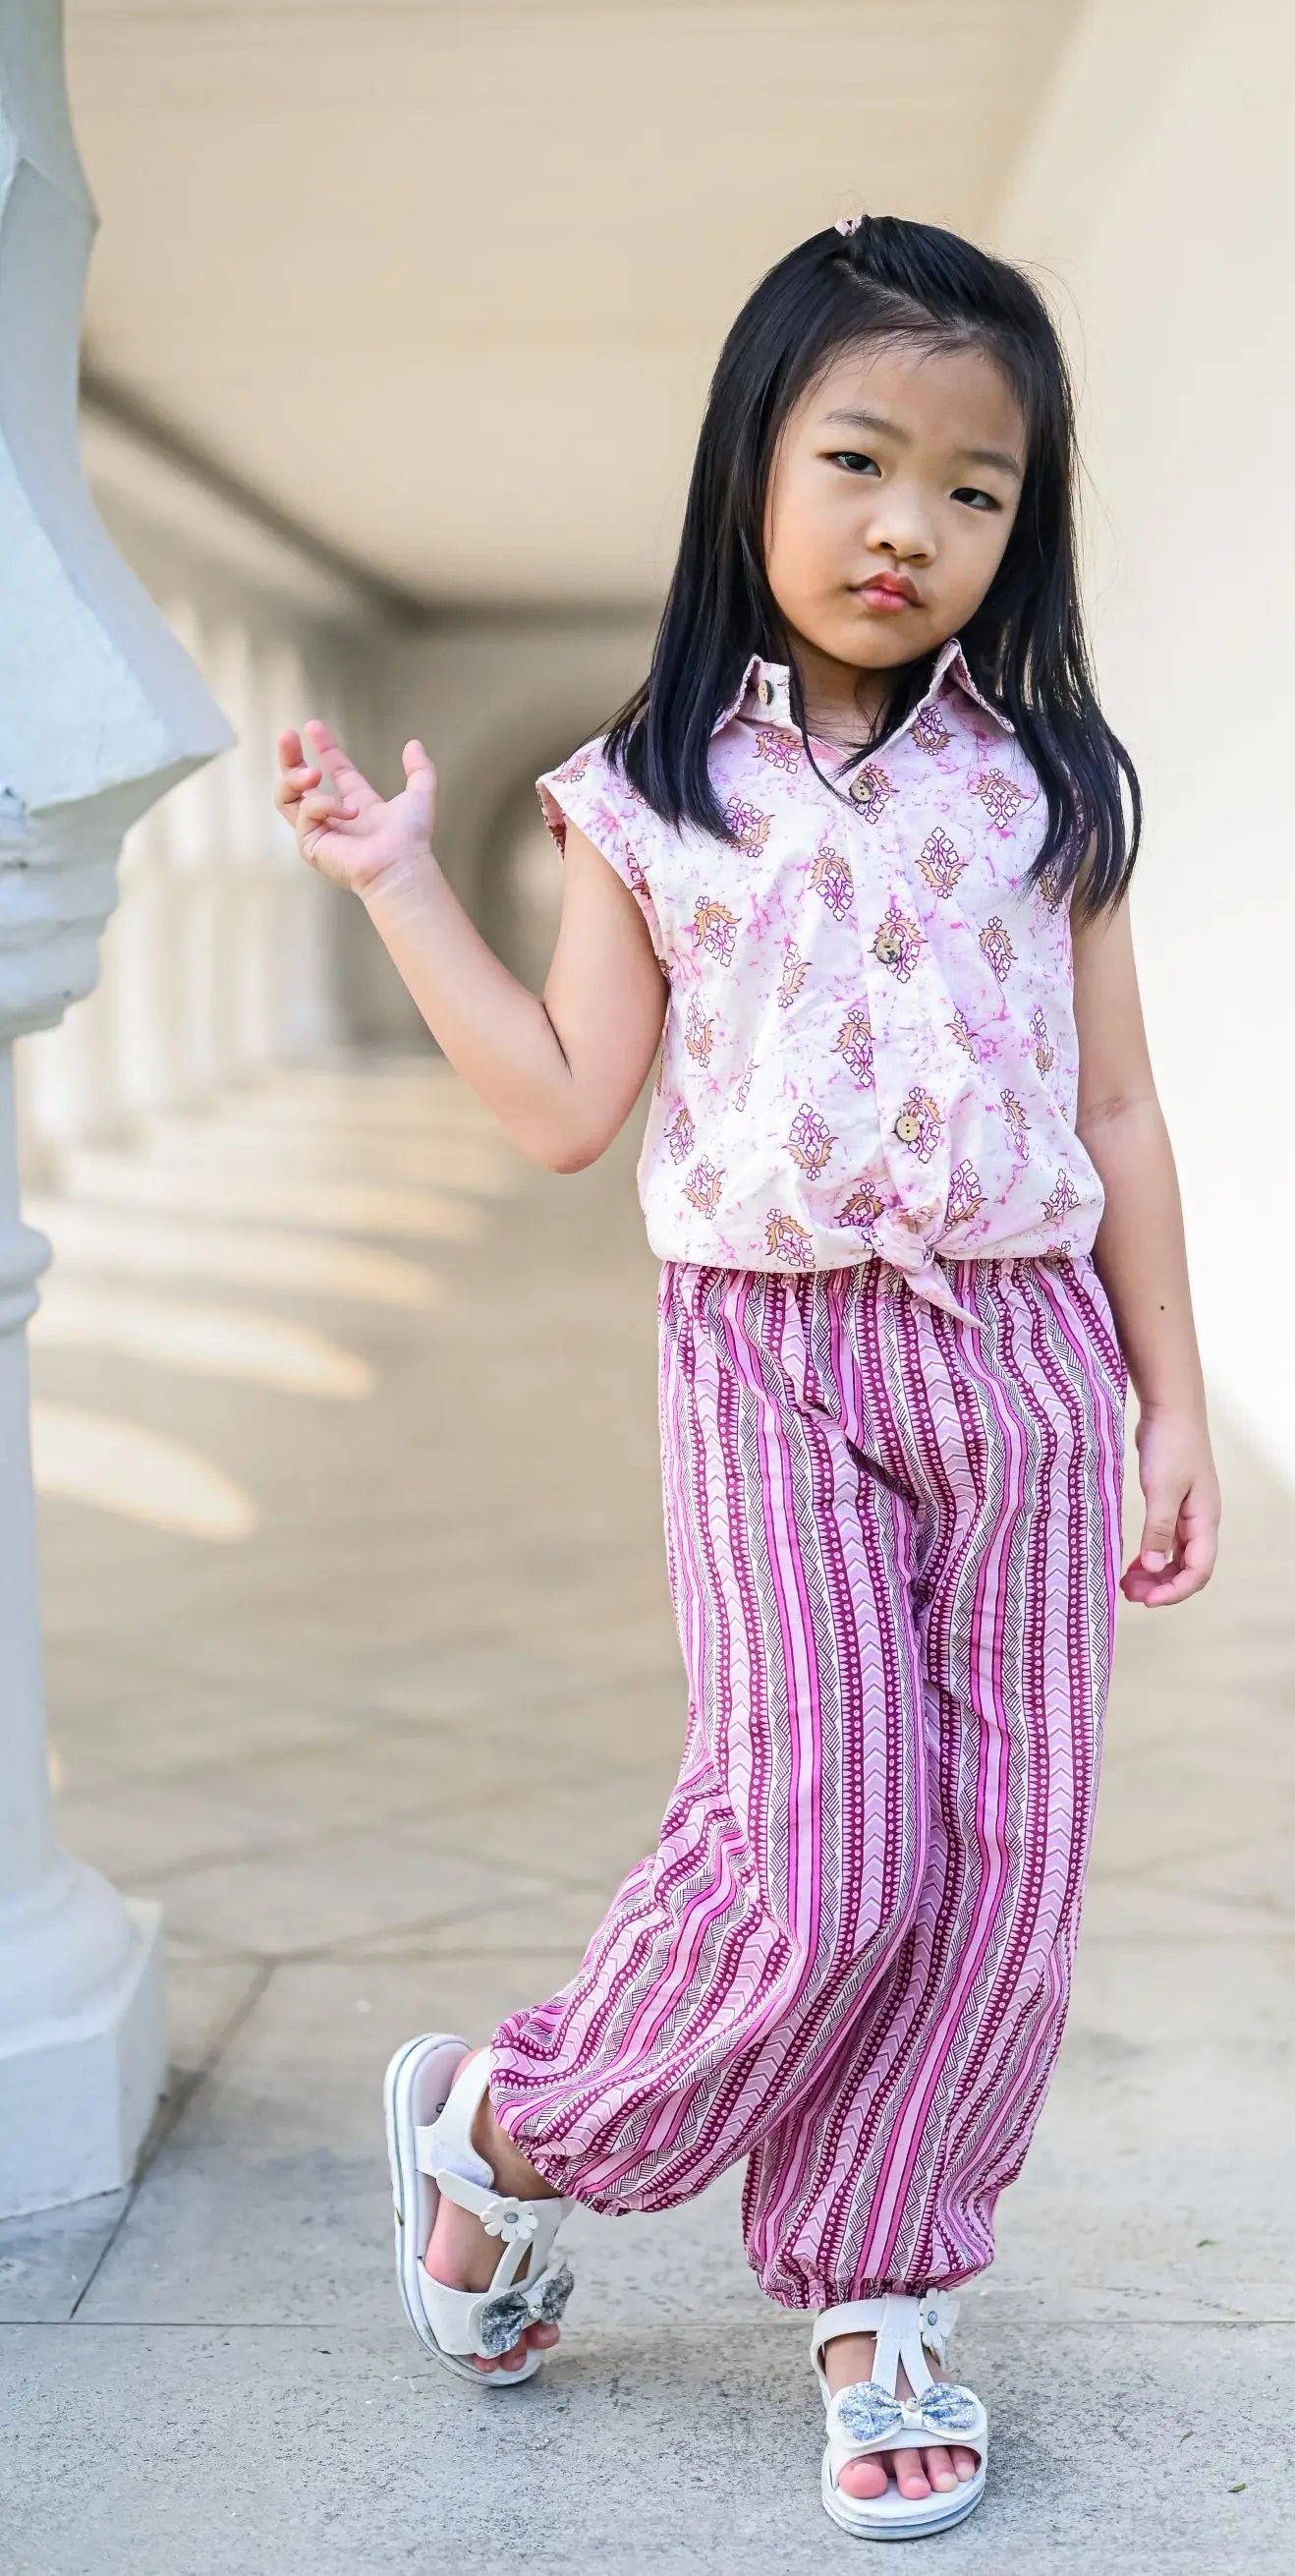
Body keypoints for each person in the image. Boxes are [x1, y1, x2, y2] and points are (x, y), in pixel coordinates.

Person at [275, 212, 1219, 2542]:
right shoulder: (649, 793)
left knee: (1005, 1867)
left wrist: (1171, 1395)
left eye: (977, 488)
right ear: (751, 470)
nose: (913, 524)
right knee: (824, 1850)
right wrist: (409, 881)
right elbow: (566, 1101)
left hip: (1022, 1352)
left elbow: (1113, 1111)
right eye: (862, 457)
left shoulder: (1054, 789)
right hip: (769, 1358)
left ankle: (885, 2287)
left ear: (1028, 522)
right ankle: (517, 2121)